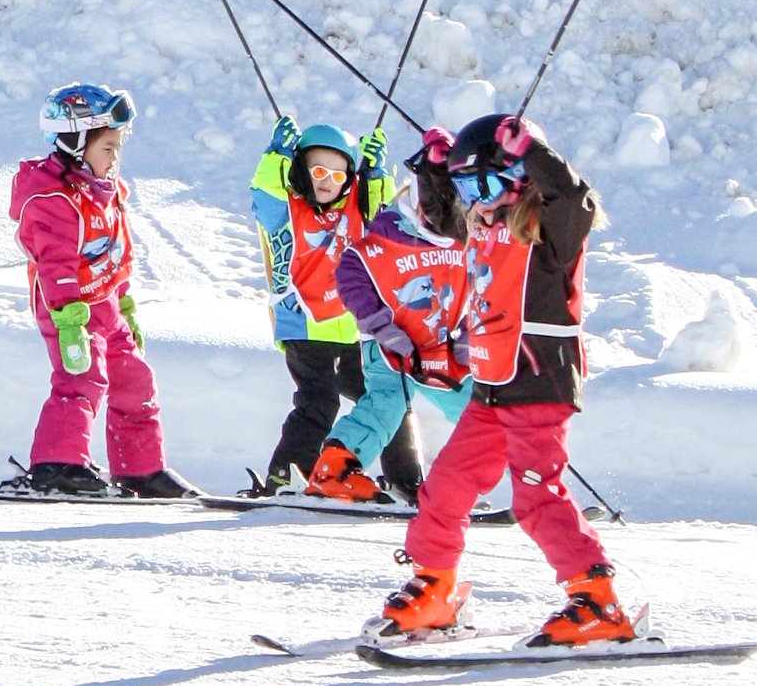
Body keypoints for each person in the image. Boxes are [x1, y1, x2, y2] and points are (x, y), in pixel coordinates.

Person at [374, 114, 634, 646]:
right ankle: (434, 587)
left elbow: (575, 200)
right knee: (444, 488)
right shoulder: (481, 228)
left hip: (539, 385)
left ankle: (598, 600)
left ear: (522, 180)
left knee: (536, 497)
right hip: (493, 388)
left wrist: (535, 151)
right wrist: (435, 170)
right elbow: (438, 216)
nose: (479, 199)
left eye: (488, 184)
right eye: (469, 187)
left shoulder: (549, 231)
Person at [8, 83, 187, 498]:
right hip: (67, 307)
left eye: (117, 147)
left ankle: (140, 468)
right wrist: (70, 321)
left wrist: (125, 302)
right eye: (107, 147)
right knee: (82, 378)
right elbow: (55, 263)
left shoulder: (107, 193)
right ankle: (58, 464)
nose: (115, 158)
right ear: (74, 143)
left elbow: (118, 249)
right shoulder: (52, 200)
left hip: (106, 304)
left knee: (135, 380)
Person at [248, 117, 423, 497]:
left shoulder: (357, 211)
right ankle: (288, 473)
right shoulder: (286, 212)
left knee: (387, 400)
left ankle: (405, 479)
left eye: (339, 175)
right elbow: (264, 192)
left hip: (353, 328)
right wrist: (276, 156)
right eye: (318, 171)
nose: (327, 181)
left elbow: (383, 215)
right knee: (318, 402)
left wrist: (375, 174)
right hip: (305, 325)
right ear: (300, 171)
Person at [311, 135, 472, 501]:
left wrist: (467, 337)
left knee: (478, 409)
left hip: (441, 349)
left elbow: (482, 291)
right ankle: (334, 472)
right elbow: (351, 277)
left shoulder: (466, 241)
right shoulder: (387, 235)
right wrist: (381, 327)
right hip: (391, 349)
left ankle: (461, 482)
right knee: (386, 405)